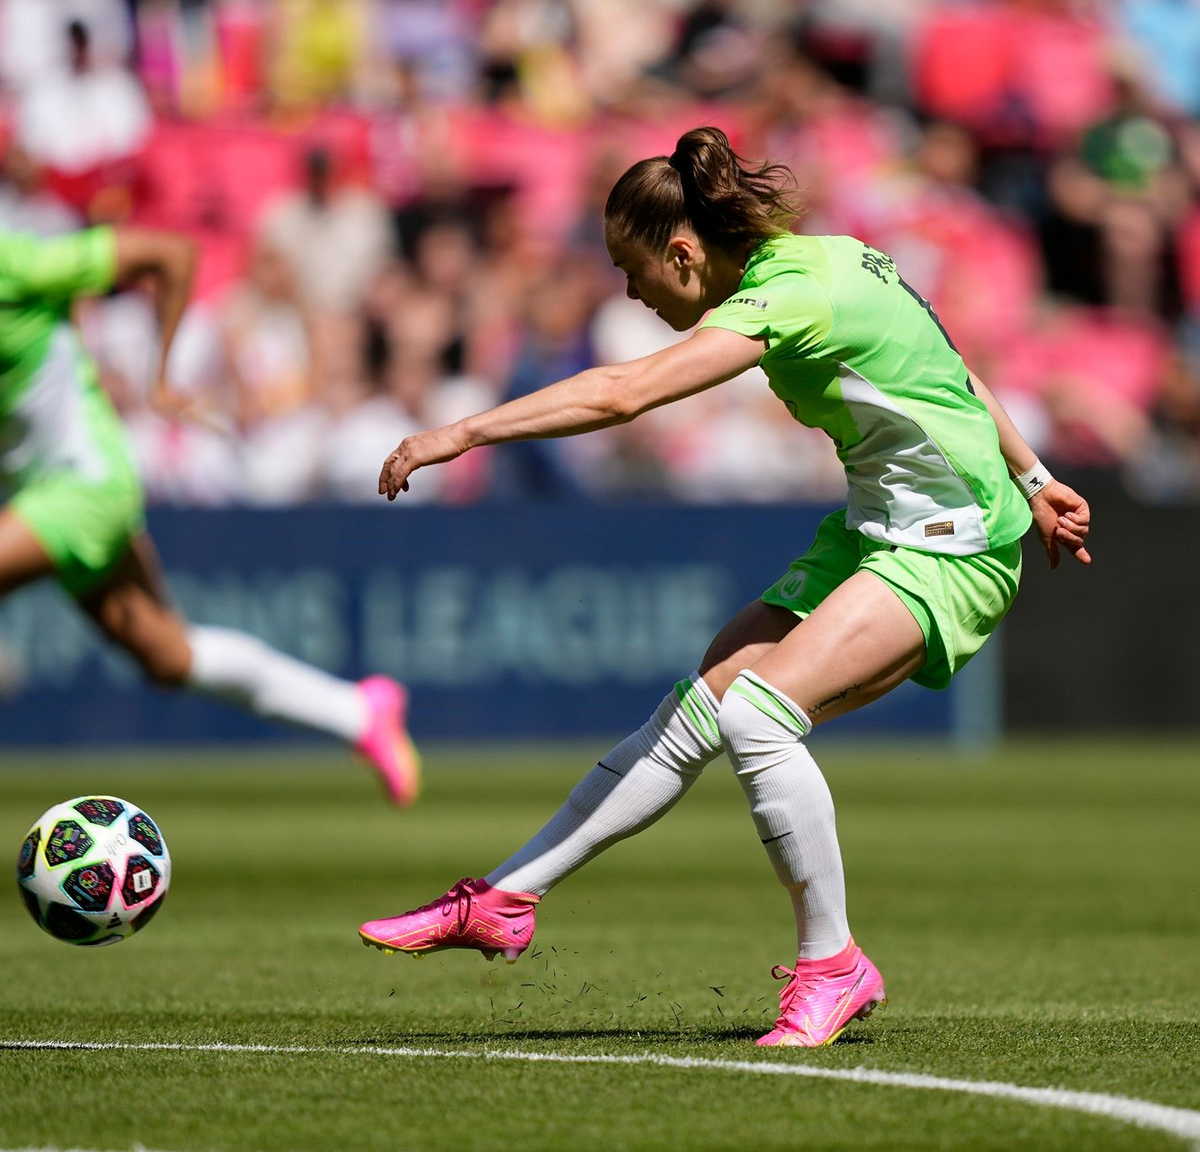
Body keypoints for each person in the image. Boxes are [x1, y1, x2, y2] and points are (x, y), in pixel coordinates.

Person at [358, 127, 1091, 1047]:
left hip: (953, 544)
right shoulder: (836, 256)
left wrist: (458, 434)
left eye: (633, 270)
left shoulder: (788, 297)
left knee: (755, 713)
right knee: (705, 702)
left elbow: (625, 392)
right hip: (884, 527)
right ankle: (507, 896)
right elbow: (955, 372)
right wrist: (1035, 475)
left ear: (684, 251)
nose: (630, 291)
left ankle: (836, 964)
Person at [0, 222, 419, 805]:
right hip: (41, 496)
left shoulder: (14, 264)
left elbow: (171, 251)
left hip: (85, 489)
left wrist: (162, 378)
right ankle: (357, 712)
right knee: (169, 656)